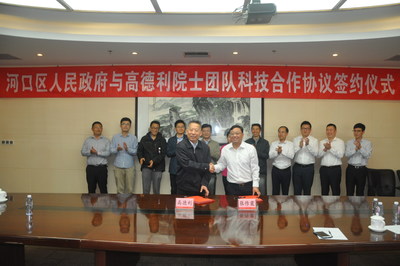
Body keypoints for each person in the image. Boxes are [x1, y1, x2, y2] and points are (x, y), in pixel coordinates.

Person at [211, 125, 260, 196]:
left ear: (242, 135)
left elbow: (255, 168)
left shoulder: (250, 149)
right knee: (231, 207)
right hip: (231, 187)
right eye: (232, 134)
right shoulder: (225, 149)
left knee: (247, 207)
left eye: (237, 133)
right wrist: (214, 167)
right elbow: (222, 164)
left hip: (247, 186)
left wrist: (255, 185)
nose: (234, 135)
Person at [176, 121, 212, 196]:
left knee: (201, 207)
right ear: (187, 131)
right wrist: (206, 166)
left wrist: (204, 183)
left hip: (200, 187)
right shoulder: (181, 146)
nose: (193, 133)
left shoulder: (205, 147)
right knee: (184, 207)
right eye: (191, 130)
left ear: (200, 133)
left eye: (196, 130)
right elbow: (187, 164)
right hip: (184, 187)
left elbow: (208, 168)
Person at [137, 120, 167, 194]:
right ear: (150, 128)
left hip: (158, 167)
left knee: (156, 190)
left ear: (158, 129)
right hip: (146, 166)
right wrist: (140, 157)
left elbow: (163, 154)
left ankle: (156, 205)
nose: (155, 130)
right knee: (145, 189)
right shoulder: (144, 139)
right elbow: (139, 150)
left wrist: (154, 161)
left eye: (157, 128)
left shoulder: (162, 140)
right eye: (153, 128)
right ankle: (145, 205)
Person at [81, 121, 111, 194]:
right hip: (91, 169)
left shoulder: (106, 140)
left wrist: (97, 152)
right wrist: (90, 152)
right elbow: (82, 152)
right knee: (91, 189)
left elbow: (108, 153)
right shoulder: (88, 140)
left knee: (103, 189)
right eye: (96, 127)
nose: (98, 129)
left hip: (102, 168)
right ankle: (90, 205)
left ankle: (104, 206)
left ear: (102, 129)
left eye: (100, 127)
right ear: (92, 129)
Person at [110, 117, 138, 194]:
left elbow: (136, 152)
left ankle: (129, 206)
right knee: (119, 190)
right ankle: (120, 205)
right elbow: (111, 150)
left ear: (130, 126)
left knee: (130, 189)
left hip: (130, 166)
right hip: (118, 166)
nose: (125, 126)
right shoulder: (115, 137)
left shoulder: (133, 138)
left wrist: (127, 149)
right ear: (120, 125)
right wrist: (117, 149)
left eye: (127, 124)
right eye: (123, 124)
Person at [345, 123, 372, 196]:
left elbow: (368, 155)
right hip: (351, 169)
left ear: (363, 132)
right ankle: (349, 207)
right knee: (349, 191)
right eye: (354, 131)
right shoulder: (349, 142)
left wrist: (360, 147)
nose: (356, 133)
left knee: (360, 191)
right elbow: (346, 154)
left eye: (358, 131)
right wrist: (355, 149)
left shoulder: (367, 143)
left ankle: (359, 207)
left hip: (361, 170)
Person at [292, 121, 319, 195]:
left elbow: (316, 154)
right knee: (297, 191)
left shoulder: (314, 140)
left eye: (307, 128)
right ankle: (297, 207)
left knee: (307, 191)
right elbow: (292, 153)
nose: (305, 130)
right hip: (297, 167)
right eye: (303, 128)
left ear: (310, 130)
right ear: (300, 129)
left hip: (308, 169)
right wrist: (299, 146)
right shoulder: (295, 139)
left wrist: (308, 145)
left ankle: (306, 206)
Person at [318, 123, 345, 196]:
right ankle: (324, 207)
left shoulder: (340, 142)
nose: (329, 132)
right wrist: (325, 149)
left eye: (331, 130)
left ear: (335, 131)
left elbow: (341, 155)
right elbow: (318, 155)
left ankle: (335, 207)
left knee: (335, 191)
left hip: (335, 170)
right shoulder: (322, 142)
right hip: (324, 169)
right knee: (324, 191)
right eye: (327, 130)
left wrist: (330, 148)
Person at [269, 126, 295, 195]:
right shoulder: (273, 144)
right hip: (275, 170)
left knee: (285, 192)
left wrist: (282, 151)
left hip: (286, 170)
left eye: (283, 132)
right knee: (275, 191)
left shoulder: (290, 144)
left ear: (286, 134)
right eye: (279, 132)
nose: (280, 134)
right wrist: (277, 152)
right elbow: (270, 156)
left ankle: (285, 206)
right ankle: (275, 206)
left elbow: (292, 156)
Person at [245, 123, 270, 195]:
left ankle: (262, 206)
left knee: (262, 192)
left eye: (257, 129)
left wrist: (255, 151)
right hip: (249, 172)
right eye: (253, 129)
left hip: (261, 171)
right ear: (251, 130)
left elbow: (266, 156)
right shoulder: (247, 142)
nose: (255, 131)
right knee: (250, 193)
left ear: (260, 130)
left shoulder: (265, 142)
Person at [167, 120, 187, 194]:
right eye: (178, 127)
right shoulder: (171, 140)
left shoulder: (188, 139)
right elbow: (168, 153)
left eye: (182, 127)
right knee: (174, 188)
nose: (180, 128)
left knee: (185, 189)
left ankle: (184, 205)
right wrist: (177, 149)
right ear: (175, 128)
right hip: (174, 168)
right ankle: (173, 205)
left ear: (184, 128)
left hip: (186, 168)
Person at [201, 124, 221, 195]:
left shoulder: (215, 144)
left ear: (211, 132)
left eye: (208, 131)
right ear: (201, 132)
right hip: (199, 172)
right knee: (199, 193)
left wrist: (208, 151)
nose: (206, 133)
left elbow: (218, 156)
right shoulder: (198, 143)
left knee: (211, 192)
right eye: (204, 131)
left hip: (211, 171)